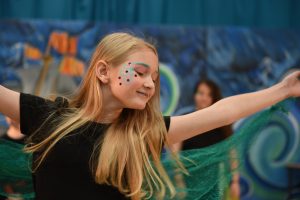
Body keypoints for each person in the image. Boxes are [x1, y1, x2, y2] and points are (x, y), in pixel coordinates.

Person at [0, 32, 299, 200]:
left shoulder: (142, 133)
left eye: (154, 77)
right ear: (104, 71)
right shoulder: (49, 117)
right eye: (140, 72)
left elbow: (222, 112)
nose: (150, 83)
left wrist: (283, 89)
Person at [175, 79, 239, 199]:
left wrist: (235, 182)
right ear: (194, 95)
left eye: (209, 94)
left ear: (213, 98)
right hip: (188, 185)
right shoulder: (184, 121)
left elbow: (232, 154)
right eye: (201, 93)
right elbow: (175, 156)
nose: (204, 98)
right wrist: (179, 183)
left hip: (213, 185)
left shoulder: (221, 125)